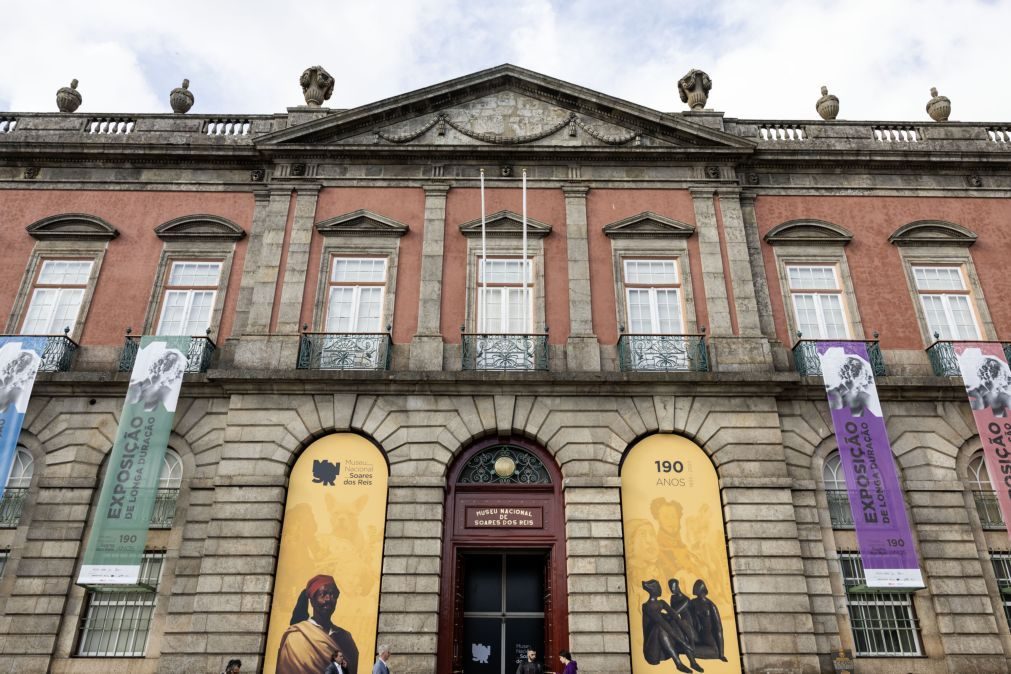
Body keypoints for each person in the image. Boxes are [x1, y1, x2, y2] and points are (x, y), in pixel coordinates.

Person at [276, 575, 359, 674]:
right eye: (323, 594)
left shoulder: (345, 637)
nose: (328, 598)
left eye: (332, 594)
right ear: (312, 600)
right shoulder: (295, 637)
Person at [640, 579, 702, 674]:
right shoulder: (647, 606)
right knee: (660, 627)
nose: (660, 589)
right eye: (658, 587)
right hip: (652, 653)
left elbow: (676, 617)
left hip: (663, 653)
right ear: (653, 590)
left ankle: (692, 662)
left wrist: (690, 638)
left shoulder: (661, 603)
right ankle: (678, 664)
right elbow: (664, 625)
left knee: (676, 622)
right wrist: (685, 643)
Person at [689, 580, 727, 662]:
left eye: (696, 587)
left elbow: (719, 630)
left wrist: (721, 653)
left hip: (710, 641)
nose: (694, 589)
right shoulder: (693, 603)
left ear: (702, 589)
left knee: (690, 651)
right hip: (698, 637)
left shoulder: (711, 606)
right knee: (688, 648)